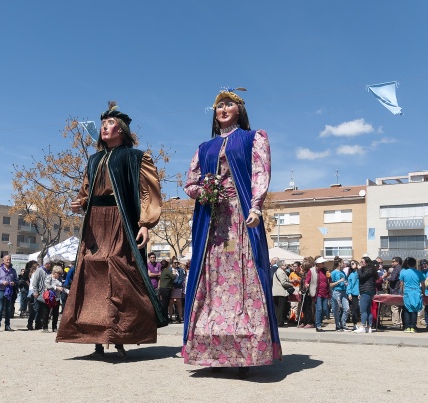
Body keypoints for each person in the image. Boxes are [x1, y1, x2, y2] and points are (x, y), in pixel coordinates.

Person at [181, 88, 281, 377]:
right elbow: (190, 182)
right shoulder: (204, 147)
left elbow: (260, 172)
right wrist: (205, 190)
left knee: (244, 273)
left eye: (229, 104)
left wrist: (256, 206)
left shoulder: (253, 138)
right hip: (212, 219)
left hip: (240, 213)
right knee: (209, 276)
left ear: (239, 110)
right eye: (219, 106)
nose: (223, 109)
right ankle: (212, 347)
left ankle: (246, 349)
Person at [56, 102, 166, 359]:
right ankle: (94, 335)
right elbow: (86, 192)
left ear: (122, 129)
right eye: (103, 124)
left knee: (118, 272)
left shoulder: (136, 157)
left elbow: (148, 192)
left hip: (119, 220)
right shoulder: (93, 160)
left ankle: (120, 333)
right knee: (91, 273)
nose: (105, 127)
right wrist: (80, 203)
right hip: (95, 222)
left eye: (110, 123)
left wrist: (145, 224)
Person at [0, 254, 18, 332]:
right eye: (6, 259)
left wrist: (14, 283)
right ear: (3, 261)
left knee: (8, 309)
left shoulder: (13, 271)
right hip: (1, 291)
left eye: (9, 259)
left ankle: (7, 325)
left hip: (10, 292)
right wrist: (2, 282)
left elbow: (16, 280)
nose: (8, 260)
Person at [354, 256, 378, 333]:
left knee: (363, 310)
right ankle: (369, 327)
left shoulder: (368, 270)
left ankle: (363, 326)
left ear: (366, 262)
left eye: (362, 262)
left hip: (366, 291)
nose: (361, 263)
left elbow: (361, 277)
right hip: (370, 291)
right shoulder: (372, 269)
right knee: (368, 310)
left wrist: (358, 269)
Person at [272, 261, 294, 327]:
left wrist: (290, 281)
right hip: (281, 292)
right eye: (285, 265)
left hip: (276, 292)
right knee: (281, 308)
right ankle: (280, 322)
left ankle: (277, 322)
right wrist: (291, 285)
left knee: (277, 308)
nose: (286, 266)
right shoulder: (281, 272)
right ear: (281, 266)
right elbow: (283, 282)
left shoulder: (277, 271)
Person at [330, 257, 349, 331]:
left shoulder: (343, 272)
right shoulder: (333, 273)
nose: (344, 264)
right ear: (339, 263)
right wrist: (339, 281)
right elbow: (330, 285)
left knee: (346, 308)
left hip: (344, 292)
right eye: (343, 262)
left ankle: (343, 323)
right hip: (336, 292)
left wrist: (346, 284)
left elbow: (346, 281)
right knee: (337, 309)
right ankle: (337, 325)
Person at [386, 257, 403, 329]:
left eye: (393, 262)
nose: (392, 263)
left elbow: (393, 278)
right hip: (400, 290)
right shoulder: (402, 269)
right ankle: (400, 322)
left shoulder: (397, 269)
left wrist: (387, 278)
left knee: (394, 307)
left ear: (397, 262)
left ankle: (396, 323)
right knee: (400, 307)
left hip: (395, 290)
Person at [346, 260, 360, 330]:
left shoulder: (360, 273)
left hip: (361, 293)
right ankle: (355, 324)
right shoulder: (351, 275)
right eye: (351, 264)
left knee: (360, 309)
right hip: (354, 294)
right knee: (355, 309)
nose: (352, 265)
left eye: (353, 263)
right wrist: (349, 293)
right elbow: (349, 284)